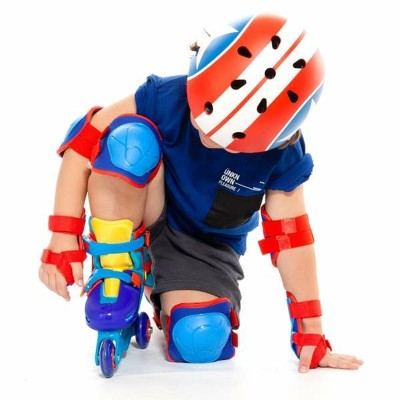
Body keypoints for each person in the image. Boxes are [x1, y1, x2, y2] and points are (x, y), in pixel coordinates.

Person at [39, 12, 363, 373]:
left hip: (203, 250)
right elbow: (85, 139)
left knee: (200, 338)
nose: (201, 125)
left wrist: (310, 333)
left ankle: (161, 293)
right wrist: (63, 237)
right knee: (128, 141)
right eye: (201, 106)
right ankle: (117, 266)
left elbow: (290, 238)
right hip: (144, 209)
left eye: (225, 132)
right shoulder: (168, 96)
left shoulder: (281, 153)